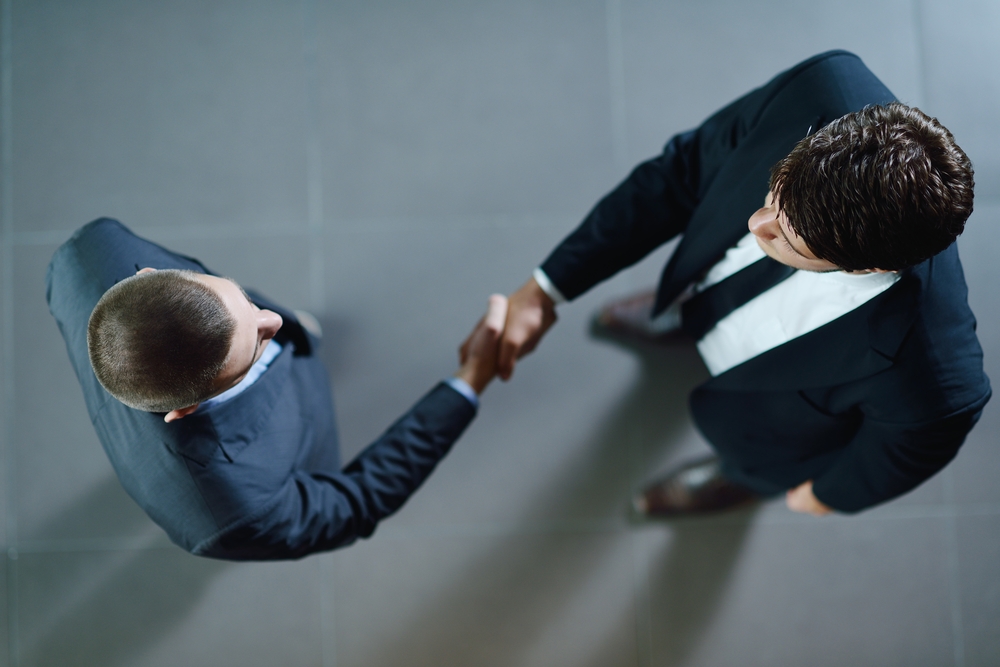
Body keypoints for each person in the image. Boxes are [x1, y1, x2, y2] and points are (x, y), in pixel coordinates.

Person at [491, 50, 991, 517]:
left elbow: (899, 456)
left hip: (763, 432)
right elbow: (679, 173)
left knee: (754, 466)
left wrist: (826, 496)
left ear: (863, 268)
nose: (755, 225)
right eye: (775, 194)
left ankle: (736, 479)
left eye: (786, 239)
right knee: (693, 300)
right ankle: (683, 315)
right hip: (712, 293)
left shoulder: (938, 383)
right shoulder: (820, 91)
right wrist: (547, 287)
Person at [47, 218, 507, 560]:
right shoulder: (238, 512)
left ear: (146, 276)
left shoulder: (91, 252)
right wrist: (471, 378)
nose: (277, 321)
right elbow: (360, 499)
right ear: (186, 411)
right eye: (257, 344)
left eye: (244, 302)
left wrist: (244, 329)